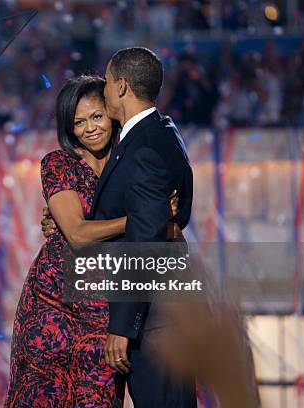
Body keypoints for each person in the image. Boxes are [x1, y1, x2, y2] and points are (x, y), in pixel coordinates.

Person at [5, 75, 180, 407]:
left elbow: (170, 235)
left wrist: (157, 222)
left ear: (111, 113)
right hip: (52, 306)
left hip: (106, 311)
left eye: (96, 117)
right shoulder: (59, 164)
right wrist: (144, 218)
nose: (89, 129)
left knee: (95, 398)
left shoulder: (134, 161)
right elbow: (78, 235)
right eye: (78, 122)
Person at [97, 47, 195, 407]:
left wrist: (122, 326)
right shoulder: (160, 132)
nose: (104, 91)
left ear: (121, 86)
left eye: (106, 83)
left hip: (156, 322)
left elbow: (145, 242)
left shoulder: (145, 147)